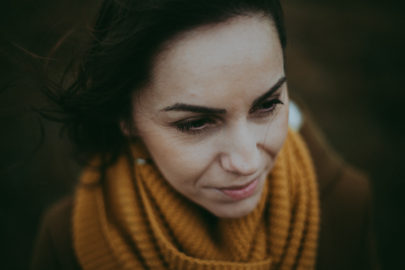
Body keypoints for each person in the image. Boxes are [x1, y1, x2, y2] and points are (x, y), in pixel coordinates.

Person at [31, 0, 379, 269]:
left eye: (267, 104)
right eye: (196, 123)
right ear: (126, 117)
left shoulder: (345, 208)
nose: (247, 162)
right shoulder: (67, 242)